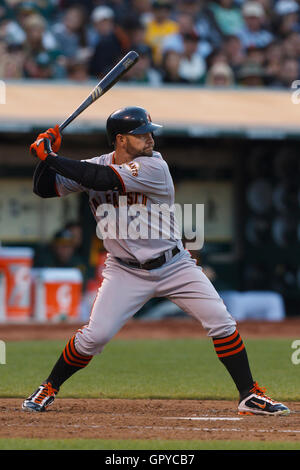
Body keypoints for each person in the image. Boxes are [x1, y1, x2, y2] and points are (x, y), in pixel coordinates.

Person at [22, 107, 290, 416]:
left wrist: (50, 157)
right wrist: (46, 152)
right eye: (142, 133)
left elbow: (98, 178)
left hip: (175, 265)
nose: (150, 137)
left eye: (150, 131)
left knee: (221, 320)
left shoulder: (154, 167)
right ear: (120, 140)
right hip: (124, 271)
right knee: (94, 337)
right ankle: (49, 386)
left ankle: (249, 394)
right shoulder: (94, 164)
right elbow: (43, 189)